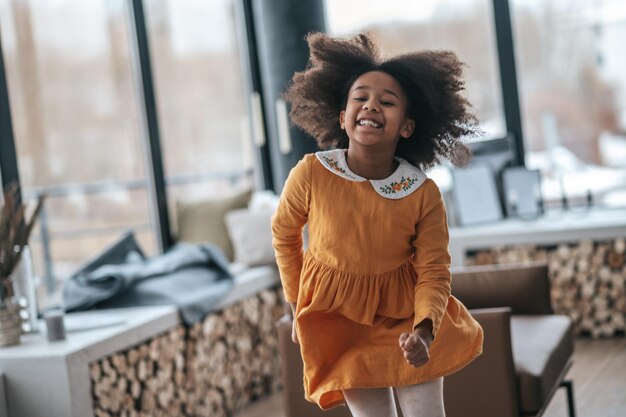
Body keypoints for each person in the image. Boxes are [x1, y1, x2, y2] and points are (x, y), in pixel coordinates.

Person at [271, 32, 484, 417]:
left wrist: (424, 330)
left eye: (387, 102)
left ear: (406, 127)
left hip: (406, 320)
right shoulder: (311, 174)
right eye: (360, 98)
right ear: (342, 117)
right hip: (339, 321)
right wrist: (296, 303)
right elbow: (284, 234)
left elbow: (434, 270)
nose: (371, 106)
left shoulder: (422, 193)